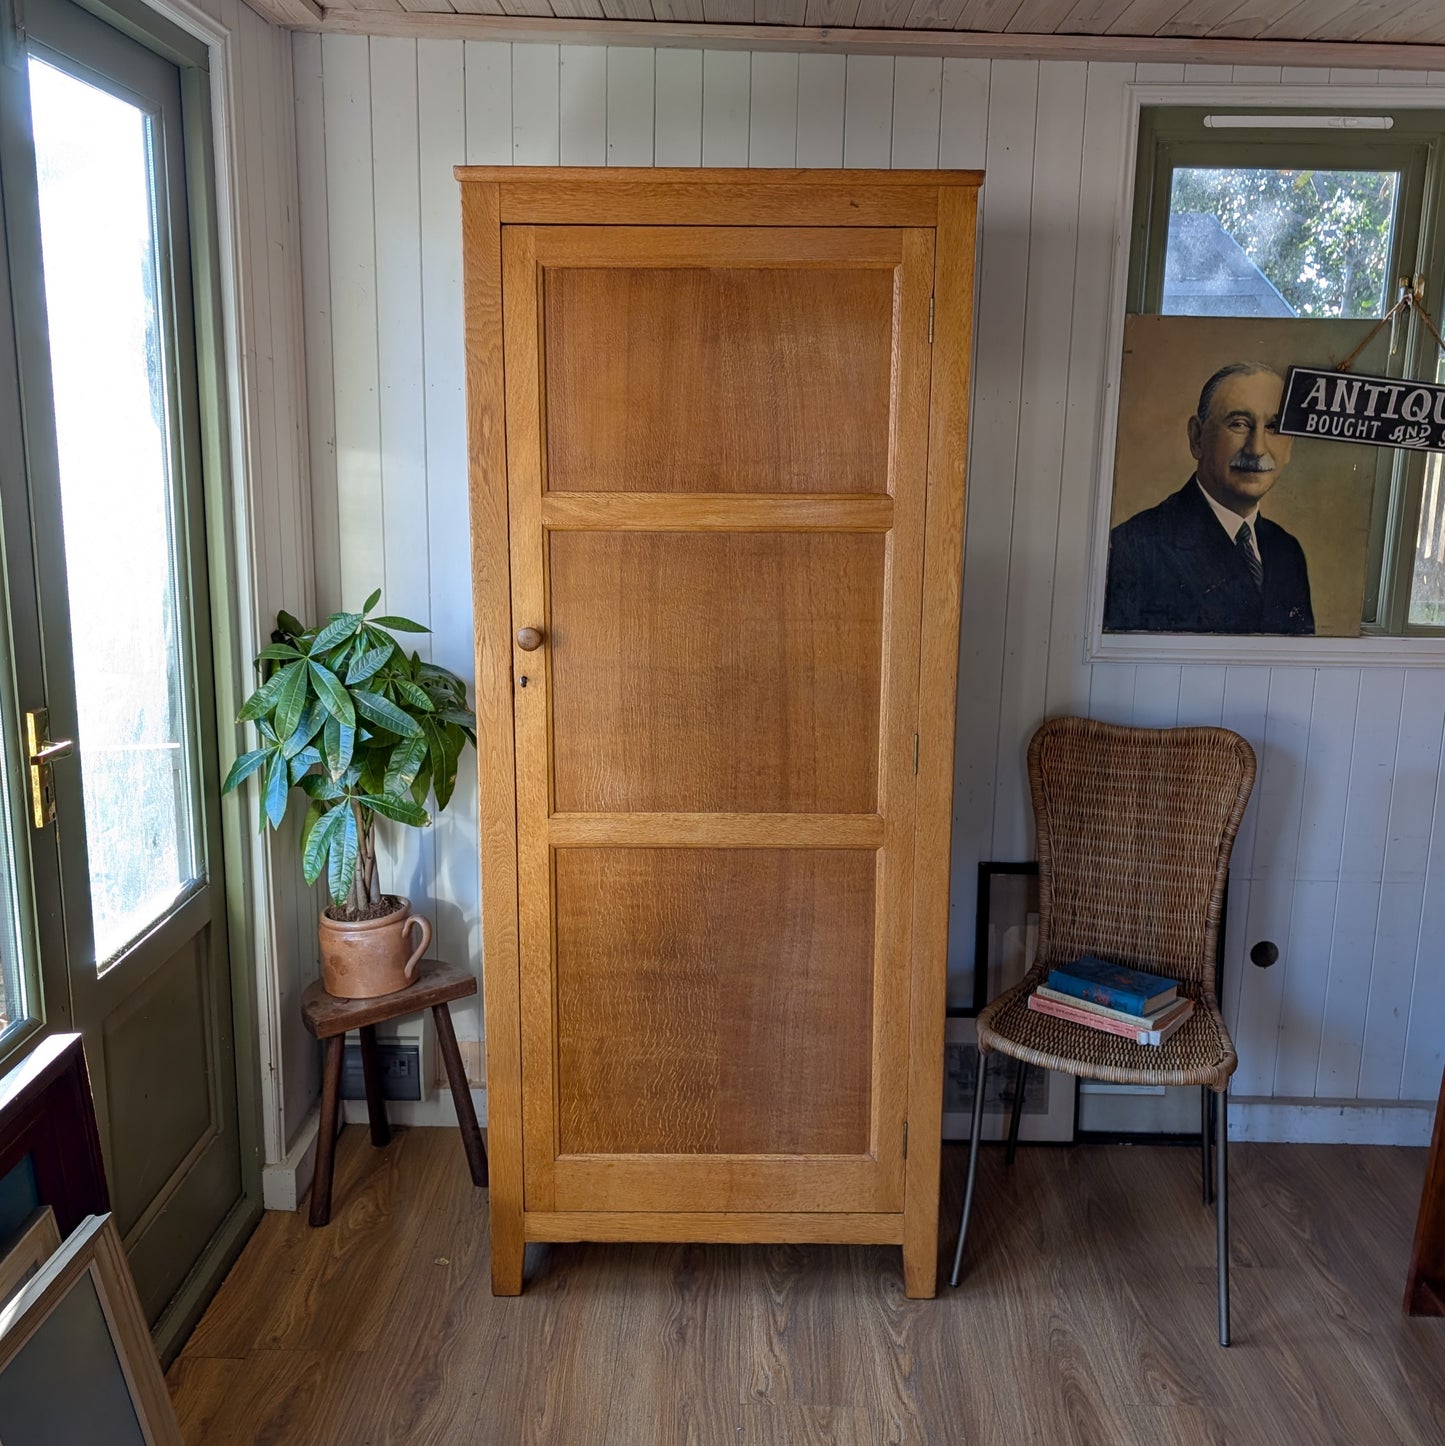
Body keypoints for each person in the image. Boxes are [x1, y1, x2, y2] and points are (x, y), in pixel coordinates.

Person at [1103, 362, 1314, 634]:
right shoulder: (1133, 548)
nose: (1257, 448)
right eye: (1239, 424)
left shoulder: (1287, 550)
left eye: (1273, 426)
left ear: (1289, 447)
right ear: (1197, 437)